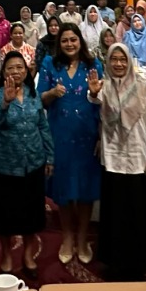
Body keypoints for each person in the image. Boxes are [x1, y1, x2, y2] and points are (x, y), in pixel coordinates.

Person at [0, 50, 52, 276]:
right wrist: (5, 102)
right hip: (4, 165)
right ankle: (6, 255)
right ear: (4, 72)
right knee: (4, 216)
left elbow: (43, 126)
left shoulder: (34, 94)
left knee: (31, 214)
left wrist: (49, 156)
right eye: (11, 68)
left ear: (26, 71)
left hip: (32, 162)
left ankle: (28, 254)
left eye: (20, 67)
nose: (15, 71)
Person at [38, 23, 101, 264]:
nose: (69, 44)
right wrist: (52, 93)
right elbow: (41, 99)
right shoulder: (49, 64)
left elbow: (102, 100)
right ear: (59, 43)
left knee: (85, 189)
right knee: (64, 188)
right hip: (60, 135)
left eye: (73, 39)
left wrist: (95, 94)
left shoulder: (93, 65)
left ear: (80, 41)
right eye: (64, 40)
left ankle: (82, 238)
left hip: (88, 135)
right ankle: (67, 237)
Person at [93, 44, 146, 281]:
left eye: (123, 60)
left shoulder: (142, 87)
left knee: (138, 213)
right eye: (114, 59)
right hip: (113, 158)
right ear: (108, 62)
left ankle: (140, 262)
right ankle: (115, 262)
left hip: (138, 157)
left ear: (129, 62)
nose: (118, 64)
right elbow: (93, 100)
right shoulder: (104, 87)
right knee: (115, 213)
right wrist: (92, 94)